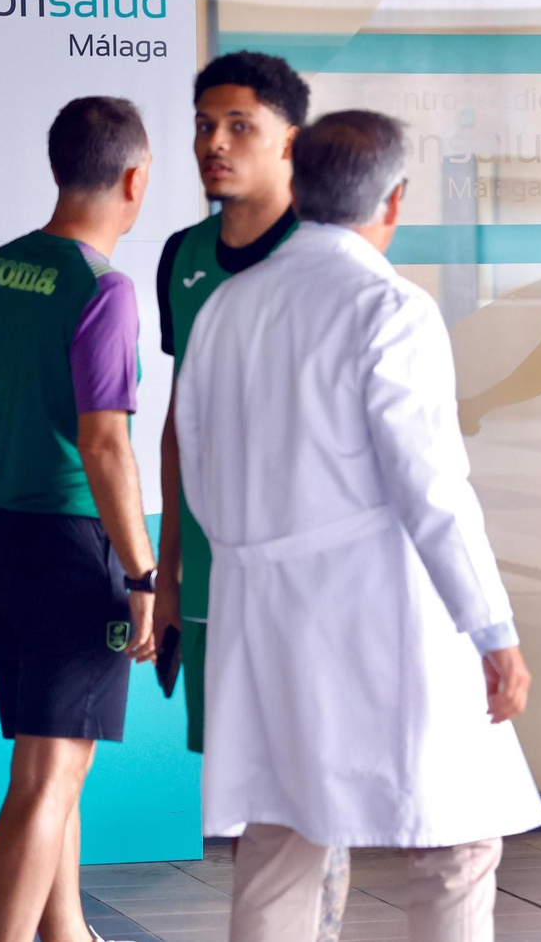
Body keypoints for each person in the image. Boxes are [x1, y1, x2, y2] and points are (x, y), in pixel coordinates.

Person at [175, 110, 541, 942]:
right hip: (383, 614)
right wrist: (492, 629)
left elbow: (195, 468)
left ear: (297, 188)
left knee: (279, 839)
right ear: (396, 200)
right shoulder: (390, 307)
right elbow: (433, 488)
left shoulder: (225, 309)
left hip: (261, 612)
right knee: (454, 849)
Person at [151, 52, 351, 939]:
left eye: (239, 126)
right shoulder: (181, 258)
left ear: (290, 144)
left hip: (312, 573)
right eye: (204, 124)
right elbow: (176, 421)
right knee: (245, 791)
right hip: (213, 568)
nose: (214, 144)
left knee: (315, 779)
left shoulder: (329, 257)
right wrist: (164, 573)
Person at [0, 97, 158, 942]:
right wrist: (144, 575)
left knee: (53, 757)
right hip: (71, 548)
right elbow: (105, 446)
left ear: (57, 167)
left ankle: (64, 929)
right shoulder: (100, 289)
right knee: (48, 773)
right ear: (135, 179)